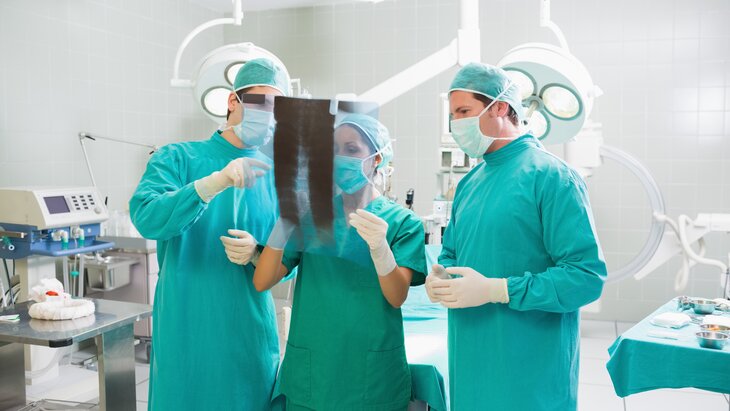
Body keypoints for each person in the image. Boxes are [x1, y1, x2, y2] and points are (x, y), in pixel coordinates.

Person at [425, 62, 607, 411]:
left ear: (499, 108)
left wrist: (499, 289)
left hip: (528, 370)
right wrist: (442, 276)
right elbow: (452, 253)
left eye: (463, 112)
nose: (456, 124)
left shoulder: (553, 177)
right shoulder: (469, 184)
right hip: (470, 360)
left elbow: (585, 278)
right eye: (452, 115)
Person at [130, 58, 289, 410]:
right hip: (186, 328)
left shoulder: (279, 176)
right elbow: (147, 217)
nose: (269, 117)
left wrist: (259, 253)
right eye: (262, 103)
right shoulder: (178, 158)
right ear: (233, 101)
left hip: (248, 331)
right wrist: (211, 184)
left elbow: (291, 260)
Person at [254, 114, 426, 411]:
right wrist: (283, 223)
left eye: (351, 149)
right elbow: (262, 280)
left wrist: (380, 249)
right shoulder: (312, 217)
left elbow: (396, 296)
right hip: (314, 372)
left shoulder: (403, 222)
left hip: (371, 374)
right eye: (333, 149)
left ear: (377, 158)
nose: (339, 158)